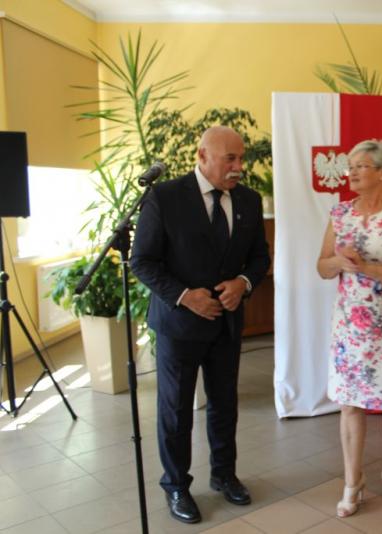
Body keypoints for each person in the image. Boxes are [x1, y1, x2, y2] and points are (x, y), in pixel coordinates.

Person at [131, 125, 269, 524]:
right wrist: (183, 295)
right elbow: (142, 261)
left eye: (241, 158)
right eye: (230, 158)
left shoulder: (248, 200)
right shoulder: (164, 197)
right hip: (179, 326)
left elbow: (260, 258)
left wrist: (243, 284)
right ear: (202, 156)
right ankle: (176, 485)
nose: (239, 167)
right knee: (175, 410)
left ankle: (224, 474)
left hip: (226, 323)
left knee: (224, 405)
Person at [317, 139, 382, 518]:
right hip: (350, 328)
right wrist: (339, 262)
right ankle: (353, 482)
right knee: (350, 405)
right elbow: (322, 266)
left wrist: (365, 268)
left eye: (360, 166)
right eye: (351, 166)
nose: (352, 172)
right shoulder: (340, 214)